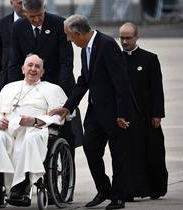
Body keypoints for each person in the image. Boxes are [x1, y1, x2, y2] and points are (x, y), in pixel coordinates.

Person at [49, 15, 136, 210]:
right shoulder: (85, 49)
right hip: (95, 112)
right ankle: (104, 189)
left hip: (114, 113)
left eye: (69, 36)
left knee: (118, 155)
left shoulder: (107, 45)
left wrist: (122, 114)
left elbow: (121, 82)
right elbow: (84, 81)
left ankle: (118, 197)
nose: (68, 40)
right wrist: (68, 106)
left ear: (78, 33)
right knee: (90, 148)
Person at [0, 54, 67, 207]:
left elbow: (59, 117)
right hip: (9, 131)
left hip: (34, 131)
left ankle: (20, 188)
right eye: (30, 65)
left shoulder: (52, 89)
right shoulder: (9, 88)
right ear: (23, 69)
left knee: (30, 140)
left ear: (42, 72)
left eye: (37, 66)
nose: (33, 69)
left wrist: (34, 120)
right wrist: (0, 121)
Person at [7, 0, 78, 173]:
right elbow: (14, 62)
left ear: (44, 9)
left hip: (58, 85)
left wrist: (57, 93)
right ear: (24, 12)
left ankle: (67, 175)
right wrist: (14, 90)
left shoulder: (59, 24)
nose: (37, 20)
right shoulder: (18, 27)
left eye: (40, 15)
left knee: (65, 134)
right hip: (31, 86)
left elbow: (66, 62)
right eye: (32, 17)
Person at [119, 22, 168, 200]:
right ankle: (131, 189)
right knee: (129, 154)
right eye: (122, 38)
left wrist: (157, 114)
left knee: (152, 152)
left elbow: (157, 88)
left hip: (146, 115)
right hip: (125, 116)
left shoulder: (149, 59)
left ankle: (155, 188)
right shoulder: (116, 58)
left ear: (137, 37)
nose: (124, 42)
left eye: (128, 38)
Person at [0, 0, 24, 99]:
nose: (23, 6)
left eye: (25, 2)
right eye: (19, 3)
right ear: (11, 2)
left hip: (33, 79)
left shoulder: (37, 20)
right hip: (8, 81)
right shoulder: (2, 24)